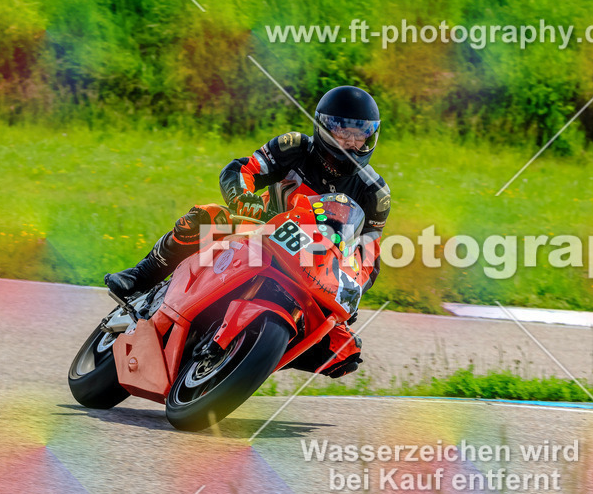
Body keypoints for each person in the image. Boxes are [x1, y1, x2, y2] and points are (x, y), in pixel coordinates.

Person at [104, 85, 390, 378]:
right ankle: (141, 276)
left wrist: (352, 290)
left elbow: (367, 259)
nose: (352, 142)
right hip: (260, 231)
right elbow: (243, 170)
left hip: (313, 268)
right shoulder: (294, 147)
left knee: (345, 353)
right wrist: (244, 198)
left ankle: (256, 351)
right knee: (205, 217)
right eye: (344, 132)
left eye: (360, 134)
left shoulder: (375, 194)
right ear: (324, 127)